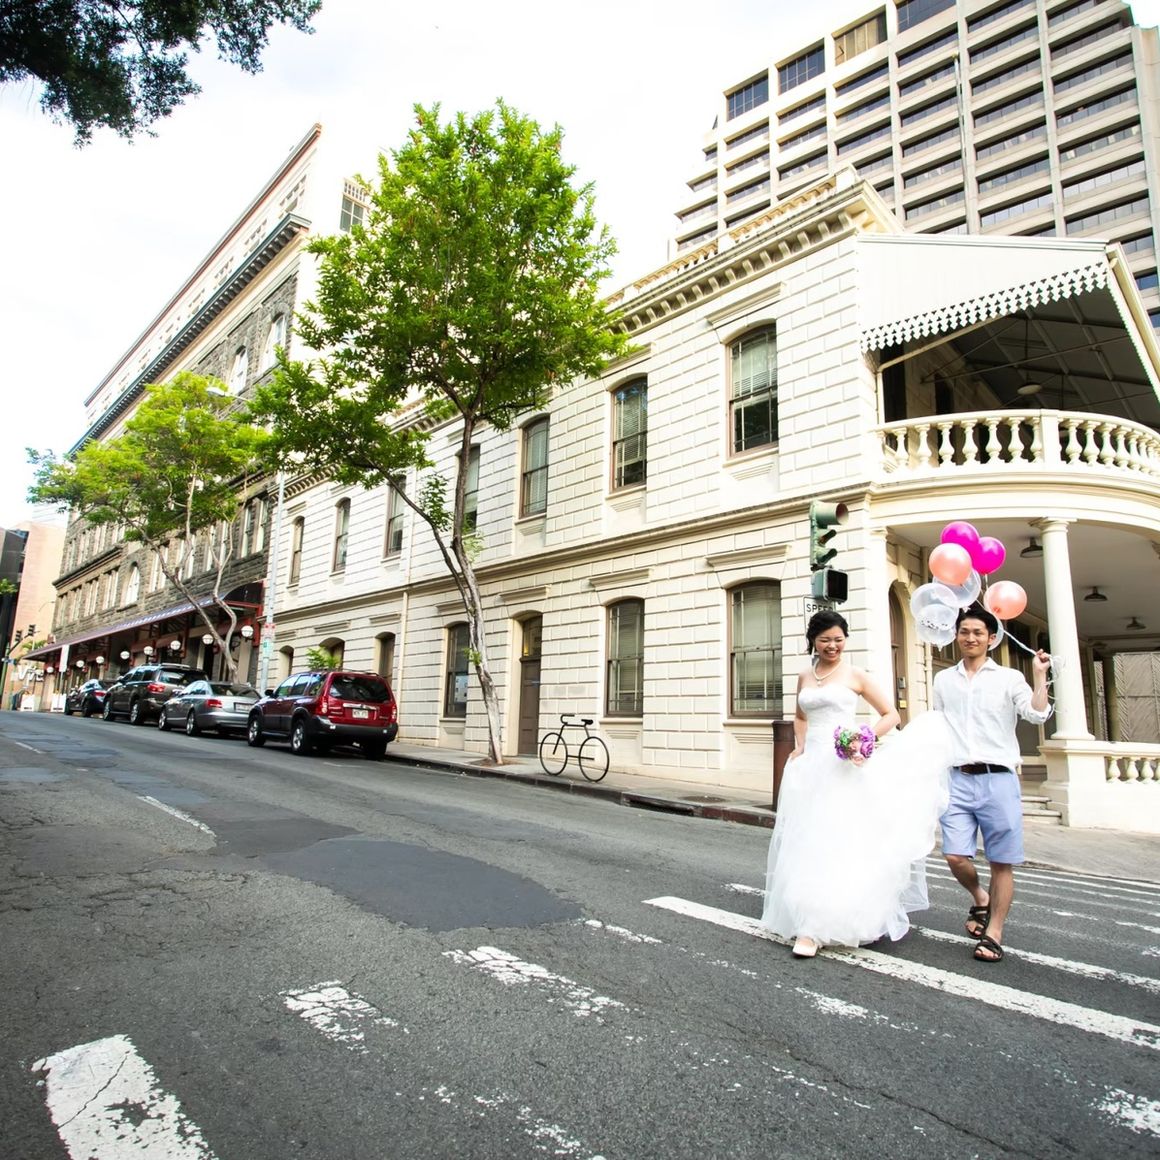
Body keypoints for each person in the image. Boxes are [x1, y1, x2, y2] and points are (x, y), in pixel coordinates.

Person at [761, 610, 951, 958]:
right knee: (806, 840)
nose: (832, 646)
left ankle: (817, 927)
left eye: (838, 639)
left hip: (843, 767)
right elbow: (801, 716)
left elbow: (891, 715)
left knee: (838, 840)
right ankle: (805, 913)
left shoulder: (856, 675)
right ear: (813, 641)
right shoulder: (804, 675)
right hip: (811, 768)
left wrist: (864, 740)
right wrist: (800, 746)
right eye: (825, 640)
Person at [935, 604, 1052, 964]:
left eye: (978, 633)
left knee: (1001, 861)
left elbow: (1037, 713)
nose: (970, 638)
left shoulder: (1008, 678)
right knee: (955, 855)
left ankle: (994, 932)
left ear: (991, 638)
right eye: (964, 632)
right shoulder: (943, 680)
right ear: (956, 635)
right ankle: (980, 897)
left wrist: (1039, 677)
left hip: (998, 779)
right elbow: (938, 727)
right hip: (957, 778)